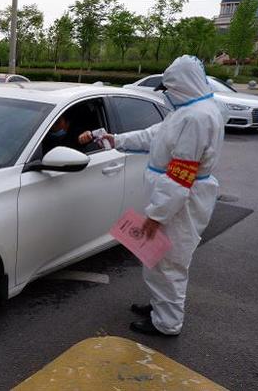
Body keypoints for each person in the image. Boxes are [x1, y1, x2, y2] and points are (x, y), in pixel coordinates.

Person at [99, 55, 225, 336]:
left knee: (170, 264)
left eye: (168, 88)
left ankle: (167, 323)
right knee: (158, 259)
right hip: (173, 200)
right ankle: (160, 307)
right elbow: (153, 136)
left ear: (182, 84)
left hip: (180, 203)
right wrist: (116, 140)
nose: (166, 94)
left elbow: (181, 174)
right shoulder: (187, 112)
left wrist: (157, 215)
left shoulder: (197, 118)